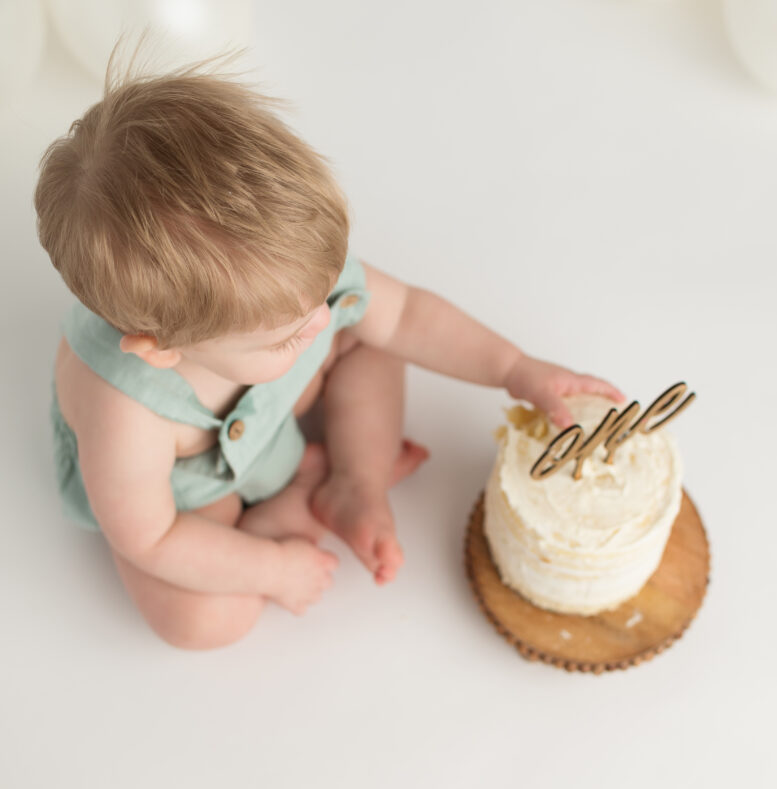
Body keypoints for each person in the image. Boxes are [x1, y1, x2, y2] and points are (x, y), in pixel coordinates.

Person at [35, 52, 625, 651]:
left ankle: (354, 483)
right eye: (283, 334)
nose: (320, 319)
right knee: (206, 622)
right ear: (162, 351)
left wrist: (515, 369)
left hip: (276, 404)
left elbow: (408, 315)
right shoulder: (125, 413)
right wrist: (271, 568)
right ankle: (279, 515)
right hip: (196, 487)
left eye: (321, 292)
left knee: (373, 340)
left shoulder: (287, 279)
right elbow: (151, 537)